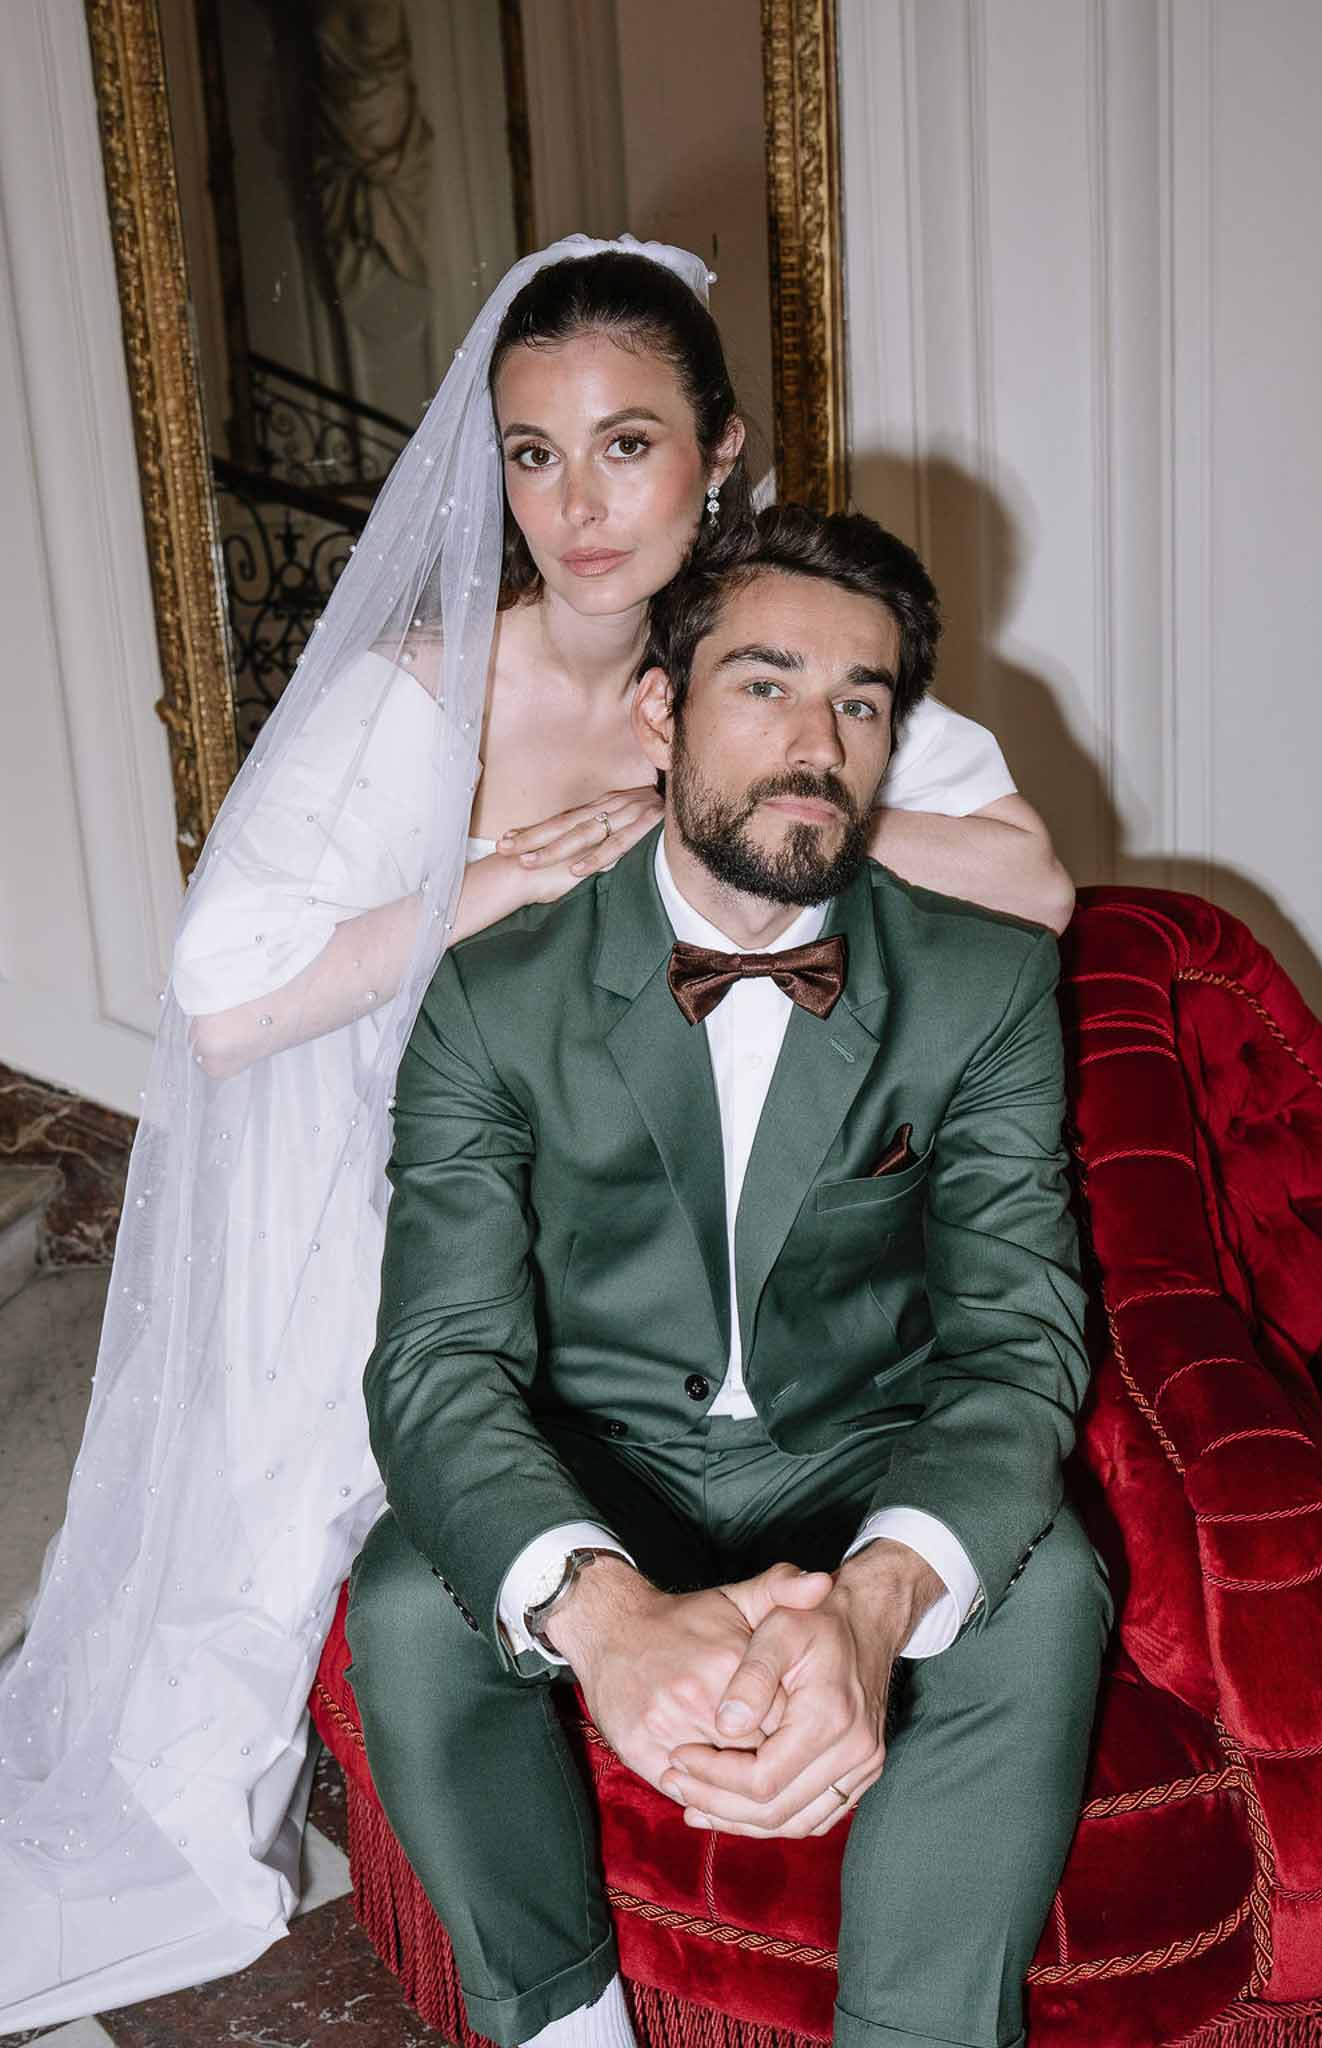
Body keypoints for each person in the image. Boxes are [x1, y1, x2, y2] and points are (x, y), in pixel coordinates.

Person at [0, 235, 1067, 2028]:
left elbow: (1028, 882)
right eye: (532, 454)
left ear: (717, 454)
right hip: (428, 1158)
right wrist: (474, 890)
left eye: (626, 446)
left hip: (686, 1198)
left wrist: (747, 798)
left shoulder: (772, 656)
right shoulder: (424, 690)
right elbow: (223, 1001)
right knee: (349, 1574)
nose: (578, 507)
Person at [349, 503, 1110, 2048]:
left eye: (859, 704)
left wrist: (875, 1607)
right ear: (660, 711)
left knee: (1049, 1589)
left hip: (860, 1450)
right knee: (406, 1601)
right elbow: (438, 1358)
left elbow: (1017, 1340)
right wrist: (607, 1617)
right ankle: (560, 2023)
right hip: (606, 1457)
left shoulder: (983, 983)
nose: (814, 744)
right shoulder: (490, 996)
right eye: (763, 685)